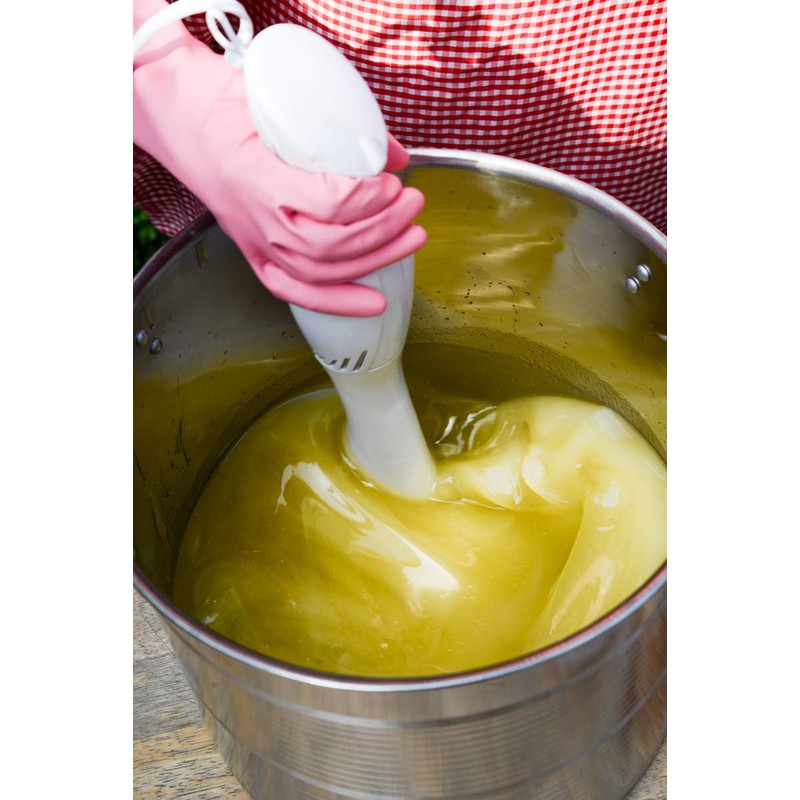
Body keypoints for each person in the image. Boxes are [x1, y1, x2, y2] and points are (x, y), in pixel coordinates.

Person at [134, 0, 666, 315]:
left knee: (595, 279)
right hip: (320, 66)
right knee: (295, 263)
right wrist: (165, 74)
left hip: (617, 83)